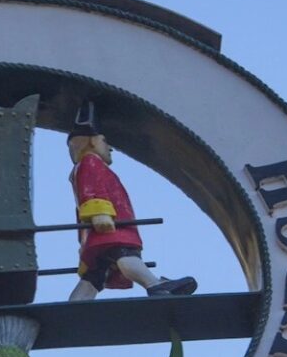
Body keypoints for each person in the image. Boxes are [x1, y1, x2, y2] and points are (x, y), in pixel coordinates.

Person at [66, 102, 197, 301]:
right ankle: (155, 285)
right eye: (104, 141)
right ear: (92, 142)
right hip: (110, 228)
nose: (110, 148)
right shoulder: (91, 162)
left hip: (103, 228)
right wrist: (100, 213)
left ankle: (76, 304)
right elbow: (91, 189)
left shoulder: (88, 165)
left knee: (95, 276)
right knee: (126, 255)